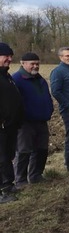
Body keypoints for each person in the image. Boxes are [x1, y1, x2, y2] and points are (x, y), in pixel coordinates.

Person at [12, 52, 53, 189]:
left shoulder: (39, 79)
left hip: (41, 120)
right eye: (32, 64)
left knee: (41, 149)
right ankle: (20, 180)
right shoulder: (17, 79)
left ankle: (36, 175)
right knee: (24, 151)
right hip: (25, 123)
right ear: (23, 64)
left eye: (37, 64)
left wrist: (49, 109)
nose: (35, 66)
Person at [0, 43, 24, 203]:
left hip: (10, 125)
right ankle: (3, 191)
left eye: (10, 55)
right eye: (5, 56)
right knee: (1, 158)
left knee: (8, 155)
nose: (9, 59)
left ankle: (8, 185)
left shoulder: (6, 76)